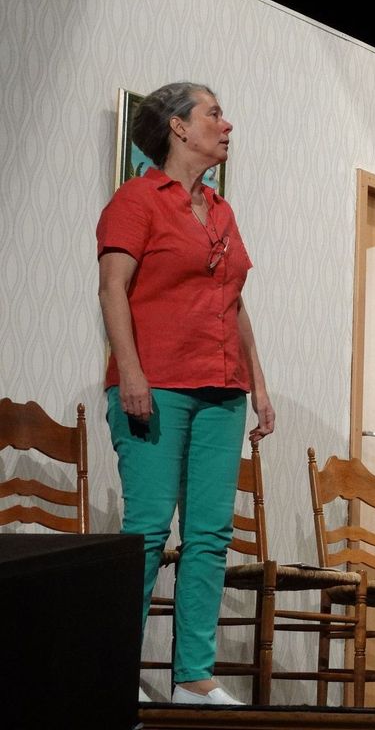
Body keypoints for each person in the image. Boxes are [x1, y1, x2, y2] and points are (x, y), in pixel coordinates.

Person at [97, 82, 275, 705]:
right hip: (156, 386)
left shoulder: (221, 210)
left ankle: (193, 678)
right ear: (177, 127)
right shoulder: (137, 199)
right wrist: (132, 372)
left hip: (222, 389)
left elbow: (234, 302)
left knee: (209, 535)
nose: (226, 125)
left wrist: (258, 384)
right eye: (214, 114)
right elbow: (112, 289)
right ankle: (114, 674)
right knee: (148, 529)